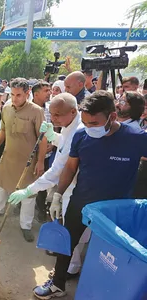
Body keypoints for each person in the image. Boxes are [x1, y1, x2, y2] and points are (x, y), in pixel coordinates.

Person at [33, 90, 147, 299]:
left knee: (113, 256)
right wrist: (58, 194)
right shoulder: (80, 135)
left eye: (94, 123)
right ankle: (57, 284)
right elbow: (70, 167)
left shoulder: (136, 138)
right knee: (66, 244)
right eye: (85, 122)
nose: (89, 128)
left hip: (115, 211)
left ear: (112, 116)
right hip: (82, 202)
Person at [8, 93, 90, 280]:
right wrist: (54, 136)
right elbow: (64, 144)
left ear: (73, 111)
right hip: (70, 187)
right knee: (71, 230)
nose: (53, 118)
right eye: (51, 114)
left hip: (75, 188)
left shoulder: (79, 130)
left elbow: (56, 171)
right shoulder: (70, 126)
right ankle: (71, 264)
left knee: (73, 232)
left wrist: (29, 190)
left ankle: (71, 269)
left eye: (57, 115)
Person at [0, 78, 47, 242]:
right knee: (0, 184)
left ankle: (25, 226)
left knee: (27, 195)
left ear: (28, 94)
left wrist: (40, 161)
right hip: (8, 156)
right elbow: (3, 129)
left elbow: (43, 139)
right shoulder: (6, 108)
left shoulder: (36, 111)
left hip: (28, 162)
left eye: (19, 95)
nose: (15, 98)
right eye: (12, 94)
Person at [31, 81, 52, 222]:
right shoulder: (26, 107)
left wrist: (52, 142)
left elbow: (55, 127)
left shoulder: (50, 108)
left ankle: (40, 208)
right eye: (46, 90)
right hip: (28, 153)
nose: (49, 93)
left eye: (49, 90)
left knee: (42, 180)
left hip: (45, 153)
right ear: (36, 94)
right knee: (26, 179)